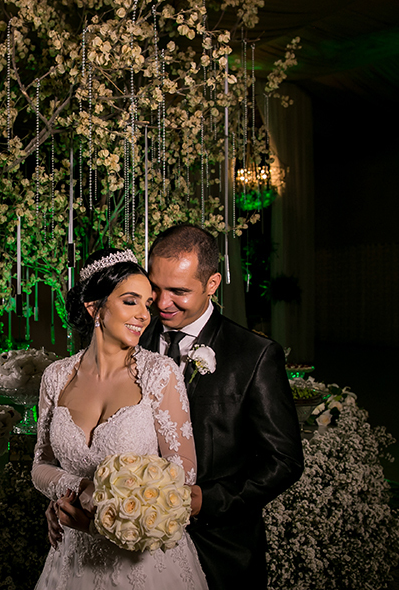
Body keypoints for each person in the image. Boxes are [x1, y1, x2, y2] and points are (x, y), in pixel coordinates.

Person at [31, 248, 209, 589]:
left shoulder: (160, 374)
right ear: (95, 307)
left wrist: (102, 517)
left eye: (147, 303)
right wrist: (77, 491)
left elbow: (182, 477)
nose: (144, 315)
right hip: (72, 556)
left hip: (143, 561)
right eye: (131, 301)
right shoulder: (55, 377)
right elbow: (41, 464)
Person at [140, 223, 304, 589]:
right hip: (137, 545)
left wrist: (209, 500)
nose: (162, 304)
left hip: (219, 547)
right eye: (156, 288)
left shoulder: (256, 355)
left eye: (179, 291)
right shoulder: (132, 339)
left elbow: (285, 460)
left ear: (212, 284)